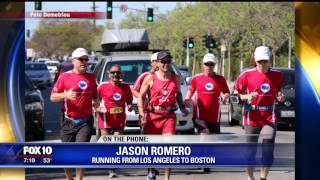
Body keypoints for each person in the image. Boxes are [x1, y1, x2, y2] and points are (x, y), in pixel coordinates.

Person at [234, 46, 285, 180]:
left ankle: (263, 178)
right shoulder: (246, 75)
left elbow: (278, 92)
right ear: (255, 60)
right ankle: (250, 177)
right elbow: (236, 96)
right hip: (252, 115)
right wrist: (247, 97)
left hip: (269, 115)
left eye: (265, 61)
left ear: (269, 61)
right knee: (250, 151)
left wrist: (281, 97)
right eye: (259, 61)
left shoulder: (277, 75)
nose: (262, 64)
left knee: (268, 149)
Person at [138, 51, 189, 180]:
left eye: (168, 61)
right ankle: (151, 170)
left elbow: (178, 94)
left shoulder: (175, 78)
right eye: (163, 62)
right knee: (152, 148)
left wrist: (182, 106)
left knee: (169, 147)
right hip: (153, 116)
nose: (166, 64)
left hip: (169, 116)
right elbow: (141, 96)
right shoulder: (150, 78)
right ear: (158, 63)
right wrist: (142, 113)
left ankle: (167, 177)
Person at [50, 48, 98, 180]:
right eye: (81, 59)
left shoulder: (91, 77)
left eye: (86, 59)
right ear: (73, 61)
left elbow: (95, 94)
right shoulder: (64, 76)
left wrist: (96, 102)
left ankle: (79, 178)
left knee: (81, 151)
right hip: (68, 120)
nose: (84, 62)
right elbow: (52, 97)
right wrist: (65, 94)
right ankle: (69, 178)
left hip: (85, 121)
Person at [184, 53, 230, 173]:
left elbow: (226, 92)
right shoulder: (196, 78)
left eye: (211, 64)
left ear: (214, 65)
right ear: (203, 65)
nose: (209, 66)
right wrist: (187, 99)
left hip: (214, 115)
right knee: (204, 135)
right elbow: (190, 91)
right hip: (200, 114)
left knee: (213, 140)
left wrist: (225, 97)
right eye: (206, 64)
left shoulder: (220, 79)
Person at [95, 64, 133, 178]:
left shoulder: (125, 87)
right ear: (109, 74)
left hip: (119, 121)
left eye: (118, 72)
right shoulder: (102, 87)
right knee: (107, 144)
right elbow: (95, 100)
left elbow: (129, 101)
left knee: (116, 144)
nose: (115, 75)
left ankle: (112, 169)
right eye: (113, 73)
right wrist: (97, 108)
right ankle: (109, 166)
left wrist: (130, 106)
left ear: (121, 74)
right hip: (105, 120)